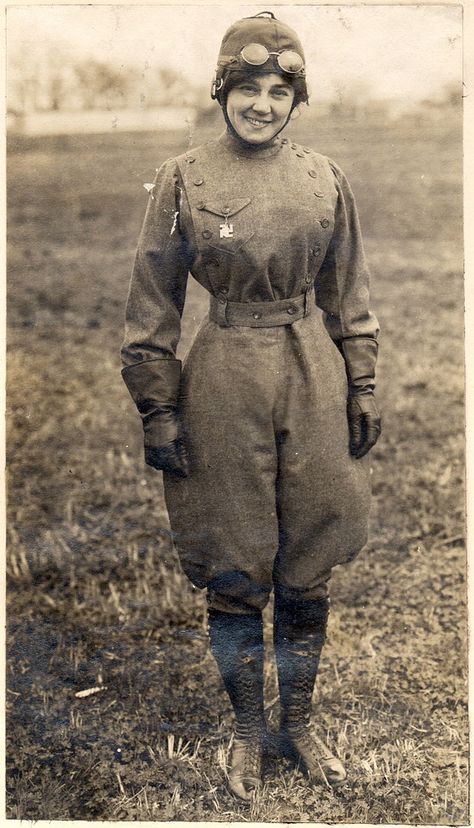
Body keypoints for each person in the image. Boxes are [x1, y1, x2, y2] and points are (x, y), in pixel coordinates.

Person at [121, 10, 381, 801]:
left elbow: (349, 290)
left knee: (308, 561)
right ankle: (244, 729)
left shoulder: (323, 176)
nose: (261, 104)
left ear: (295, 100)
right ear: (222, 92)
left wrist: (362, 379)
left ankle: (295, 723)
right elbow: (152, 300)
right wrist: (157, 406)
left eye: (278, 90)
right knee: (234, 561)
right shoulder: (184, 177)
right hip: (224, 370)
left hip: (311, 368)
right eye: (247, 88)